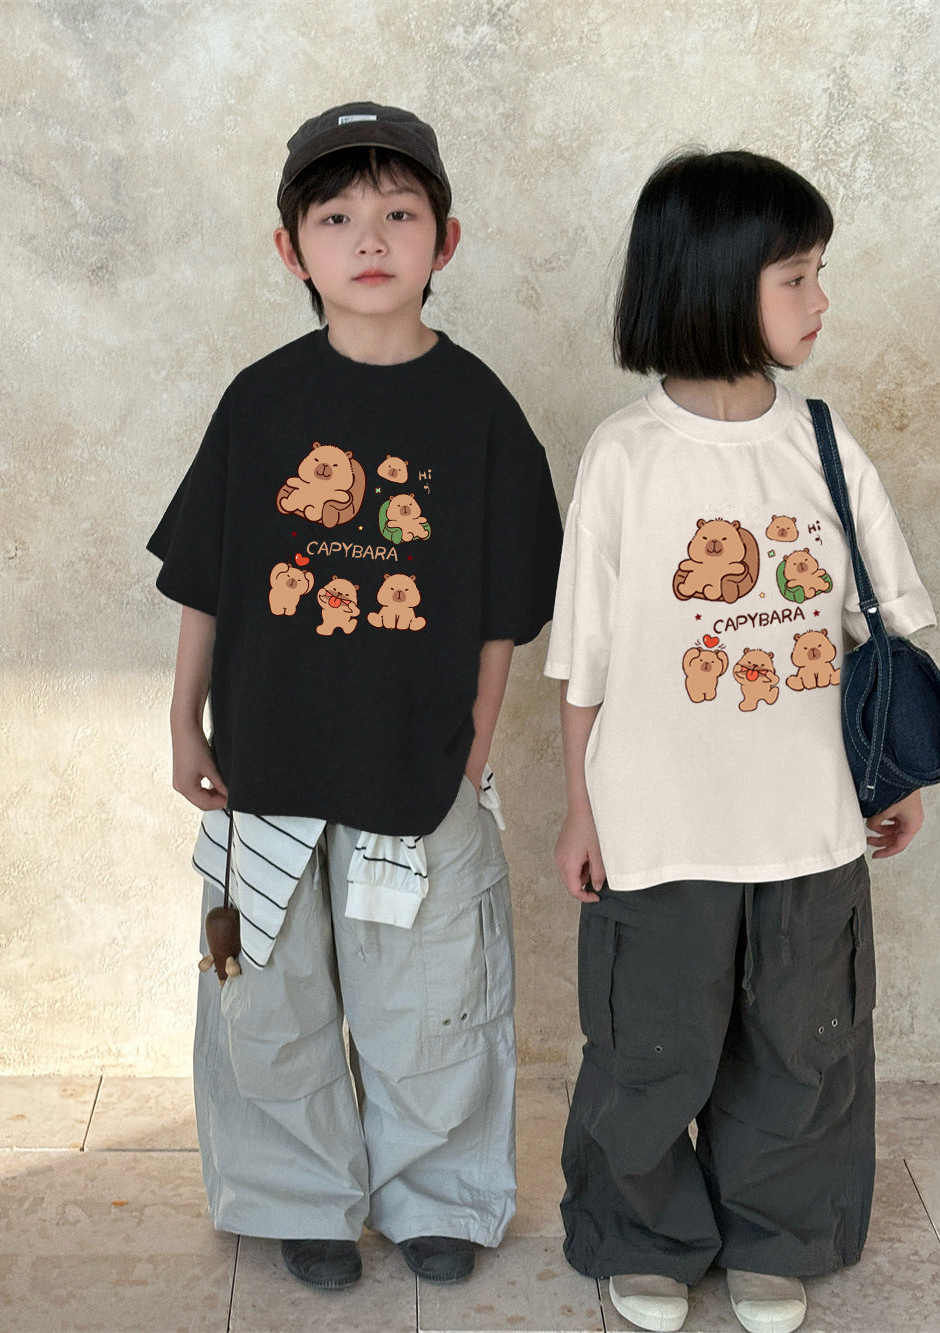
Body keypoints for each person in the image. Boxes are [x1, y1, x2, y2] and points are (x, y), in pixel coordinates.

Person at [148, 102, 562, 1293]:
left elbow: (502, 606)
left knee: (433, 993)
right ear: (291, 248)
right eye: (335, 217)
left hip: (419, 761)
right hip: (266, 759)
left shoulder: (479, 410)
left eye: (398, 212)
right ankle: (298, 1195)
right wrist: (183, 719)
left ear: (446, 239)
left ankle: (438, 1193)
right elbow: (207, 578)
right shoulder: (261, 402)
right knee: (267, 996)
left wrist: (476, 739)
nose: (369, 238)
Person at [544, 150, 936, 1333]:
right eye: (796, 277)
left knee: (803, 1045)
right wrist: (579, 807)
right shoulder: (625, 453)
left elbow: (877, 622)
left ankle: (778, 1236)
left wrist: (899, 778)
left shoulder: (821, 442)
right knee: (646, 1049)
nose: (820, 301)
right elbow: (584, 659)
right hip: (656, 824)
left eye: (818, 273)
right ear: (715, 283)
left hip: (807, 823)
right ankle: (644, 1235)